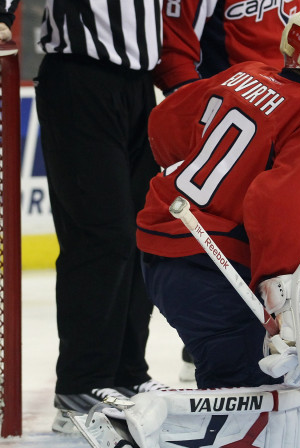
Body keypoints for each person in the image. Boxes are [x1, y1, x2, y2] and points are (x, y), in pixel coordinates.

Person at [136, 4, 300, 389]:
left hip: (163, 248)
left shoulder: (245, 74)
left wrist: (225, 190)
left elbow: (165, 125)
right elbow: (283, 210)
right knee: (254, 394)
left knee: (234, 376)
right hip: (216, 269)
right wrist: (291, 322)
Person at [35, 0, 169, 434]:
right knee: (102, 237)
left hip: (140, 87)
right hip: (80, 77)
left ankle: (127, 376)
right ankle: (81, 386)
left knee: (140, 235)